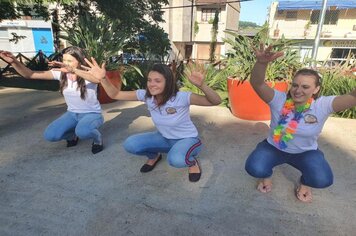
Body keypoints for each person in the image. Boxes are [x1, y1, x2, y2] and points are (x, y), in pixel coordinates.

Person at [245, 44, 356, 202]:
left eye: (305, 87)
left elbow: (353, 98)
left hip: (305, 152)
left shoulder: (322, 105)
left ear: (316, 89)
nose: (298, 90)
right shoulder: (279, 100)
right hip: (274, 147)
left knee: (323, 179)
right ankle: (266, 175)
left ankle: (305, 183)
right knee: (254, 167)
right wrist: (262, 63)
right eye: (295, 85)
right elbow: (257, 84)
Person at [82, 58, 221, 182]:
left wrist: (202, 86)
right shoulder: (146, 96)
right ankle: (154, 156)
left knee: (176, 160)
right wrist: (103, 78)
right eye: (149, 80)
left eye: (157, 81)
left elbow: (215, 101)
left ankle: (192, 162)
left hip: (187, 139)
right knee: (131, 144)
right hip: (164, 137)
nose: (151, 84)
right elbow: (115, 94)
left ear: (168, 82)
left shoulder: (181, 97)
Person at [0, 47, 104, 154]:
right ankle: (72, 136)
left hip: (92, 114)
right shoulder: (61, 73)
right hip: (72, 114)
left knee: (83, 131)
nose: (65, 63)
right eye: (64, 60)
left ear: (79, 61)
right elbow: (29, 74)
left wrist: (74, 70)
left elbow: (97, 79)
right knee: (50, 135)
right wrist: (14, 62)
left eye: (70, 61)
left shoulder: (88, 74)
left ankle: (97, 140)